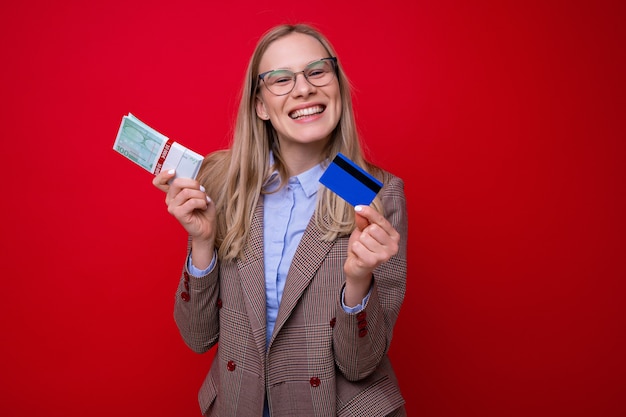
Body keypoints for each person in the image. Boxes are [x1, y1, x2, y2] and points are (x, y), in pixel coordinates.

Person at [153, 23, 408, 417]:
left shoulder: (374, 194)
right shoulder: (221, 182)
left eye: (317, 71)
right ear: (260, 105)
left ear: (337, 85)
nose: (303, 88)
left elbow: (359, 364)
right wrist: (203, 244)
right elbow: (198, 338)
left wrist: (358, 281)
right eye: (281, 79)